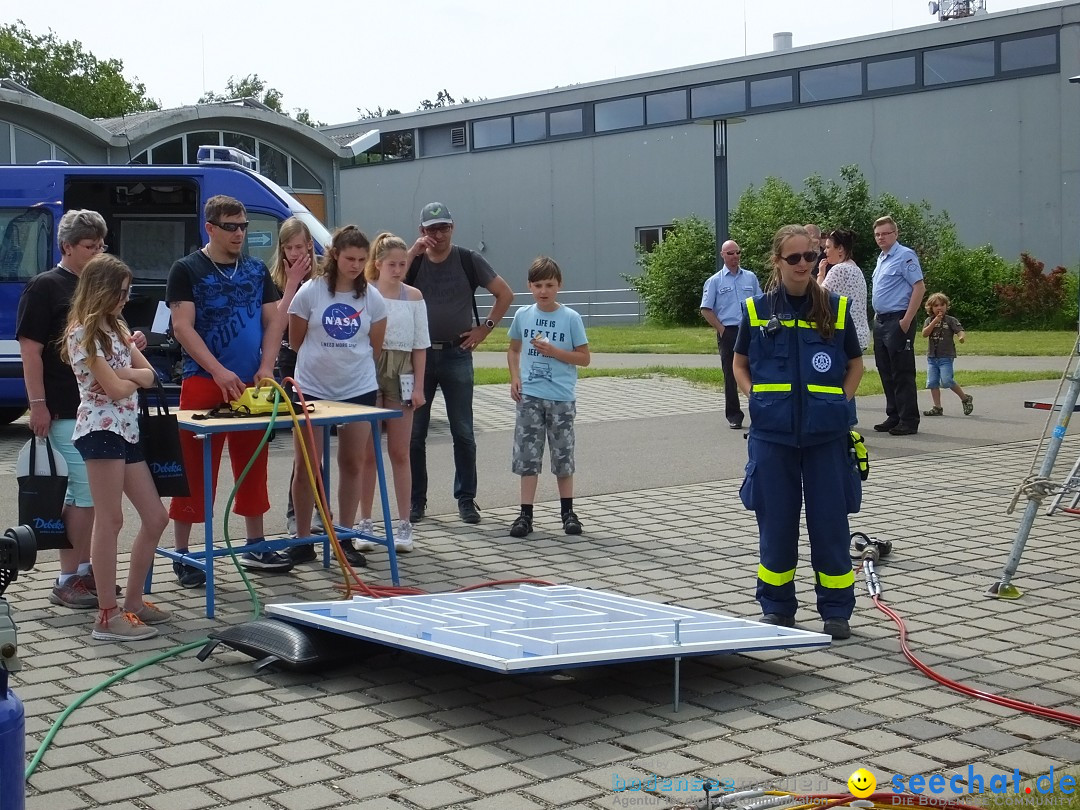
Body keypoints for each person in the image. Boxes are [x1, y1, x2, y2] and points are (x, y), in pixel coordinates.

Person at [732, 225, 864, 640]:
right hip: (773, 437)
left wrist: (841, 401)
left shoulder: (835, 308)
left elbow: (856, 363)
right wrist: (755, 397)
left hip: (826, 436)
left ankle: (837, 612)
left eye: (810, 256)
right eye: (794, 258)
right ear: (778, 262)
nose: (804, 264)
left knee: (830, 525)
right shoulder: (756, 310)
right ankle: (777, 607)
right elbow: (739, 363)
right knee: (777, 526)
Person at [16, 209, 144, 610]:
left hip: (102, 407)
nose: (96, 252)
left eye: (101, 246)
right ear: (66, 247)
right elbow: (30, 351)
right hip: (68, 407)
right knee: (83, 494)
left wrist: (128, 345)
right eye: (89, 246)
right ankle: (69, 574)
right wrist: (37, 404)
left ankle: (86, 570)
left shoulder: (99, 286)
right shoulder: (45, 286)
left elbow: (113, 344)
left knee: (89, 496)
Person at [166, 195, 289, 585]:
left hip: (251, 385)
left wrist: (267, 367)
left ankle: (255, 545)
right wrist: (217, 371)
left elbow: (273, 322)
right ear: (211, 228)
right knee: (195, 470)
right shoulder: (186, 268)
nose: (239, 233)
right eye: (231, 226)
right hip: (202, 381)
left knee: (253, 463)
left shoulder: (254, 270)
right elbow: (182, 327)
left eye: (244, 226)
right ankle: (183, 553)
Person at [62, 255, 170, 640]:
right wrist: (127, 378)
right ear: (102, 291)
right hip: (100, 431)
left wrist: (123, 374)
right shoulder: (82, 333)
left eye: (128, 291)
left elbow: (149, 373)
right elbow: (116, 388)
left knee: (156, 516)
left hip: (127, 429)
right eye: (121, 292)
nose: (126, 299)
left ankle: (134, 602)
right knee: (111, 519)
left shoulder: (117, 326)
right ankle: (107, 614)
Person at [406, 202, 513, 525]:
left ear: (453, 228)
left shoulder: (468, 259)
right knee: (414, 434)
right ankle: (415, 501)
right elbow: (381, 282)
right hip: (419, 356)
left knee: (463, 431)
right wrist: (413, 252)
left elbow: (504, 294)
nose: (438, 235)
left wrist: (485, 329)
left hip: (456, 354)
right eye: (431, 229)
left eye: (444, 228)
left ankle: (466, 499)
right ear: (422, 231)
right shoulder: (413, 262)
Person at [288, 226, 386, 565]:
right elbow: (296, 341)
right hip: (311, 389)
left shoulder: (372, 297)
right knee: (306, 466)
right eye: (349, 258)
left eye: (362, 259)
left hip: (357, 389)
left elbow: (375, 346)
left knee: (352, 463)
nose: (356, 265)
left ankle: (344, 536)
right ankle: (302, 539)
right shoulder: (310, 292)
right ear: (334, 256)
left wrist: (351, 369)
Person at [353, 233, 430, 555]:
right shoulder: (366, 295)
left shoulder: (414, 297)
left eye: (402, 264)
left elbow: (420, 345)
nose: (398, 270)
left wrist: (420, 386)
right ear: (378, 264)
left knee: (400, 452)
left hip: (402, 372)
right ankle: (365, 522)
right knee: (367, 454)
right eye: (392, 264)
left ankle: (404, 524)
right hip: (370, 370)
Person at [506, 257, 590, 538]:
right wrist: (515, 376)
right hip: (530, 395)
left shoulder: (570, 318)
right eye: (538, 285)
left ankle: (567, 511)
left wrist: (554, 352)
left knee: (562, 455)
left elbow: (584, 357)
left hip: (561, 398)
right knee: (528, 456)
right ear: (529, 286)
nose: (544, 291)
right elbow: (514, 349)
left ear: (559, 286)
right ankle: (525, 514)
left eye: (550, 285)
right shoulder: (523, 315)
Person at [267, 216, 323, 559]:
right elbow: (276, 320)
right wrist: (292, 283)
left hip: (320, 364)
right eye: (288, 248)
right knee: (304, 452)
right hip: (290, 363)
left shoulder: (320, 281)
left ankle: (321, 517)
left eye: (300, 248)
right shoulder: (276, 280)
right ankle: (296, 520)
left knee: (318, 452)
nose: (294, 254)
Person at [871, 215, 925, 436]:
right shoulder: (882, 258)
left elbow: (919, 288)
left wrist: (906, 321)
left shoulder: (905, 256)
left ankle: (908, 420)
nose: (881, 238)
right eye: (877, 234)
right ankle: (894, 415)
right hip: (881, 321)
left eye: (885, 233)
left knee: (902, 372)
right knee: (885, 370)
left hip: (897, 320)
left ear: (895, 234)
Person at [700, 240, 762, 430]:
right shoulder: (715, 281)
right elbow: (706, 309)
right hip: (729, 330)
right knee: (731, 373)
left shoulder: (750, 278)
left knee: (757, 371)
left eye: (737, 253)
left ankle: (760, 412)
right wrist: (722, 330)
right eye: (730, 254)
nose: (734, 257)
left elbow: (760, 302)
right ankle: (734, 416)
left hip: (750, 329)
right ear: (722, 255)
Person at [921, 292, 973, 417]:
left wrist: (961, 337)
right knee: (932, 382)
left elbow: (960, 331)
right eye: (936, 305)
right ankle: (937, 407)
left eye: (942, 305)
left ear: (946, 306)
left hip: (946, 356)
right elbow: (924, 334)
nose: (940, 308)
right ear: (931, 308)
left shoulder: (951, 320)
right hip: (932, 357)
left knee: (946, 380)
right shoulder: (929, 320)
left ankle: (965, 398)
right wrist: (935, 322)